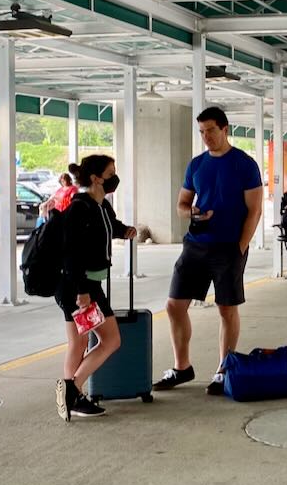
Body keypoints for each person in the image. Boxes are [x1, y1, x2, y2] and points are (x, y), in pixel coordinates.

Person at [153, 106, 262, 396]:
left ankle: (223, 369)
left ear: (225, 129)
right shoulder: (197, 165)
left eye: (211, 130)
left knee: (226, 308)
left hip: (229, 247)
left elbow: (254, 211)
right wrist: (192, 212)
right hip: (196, 244)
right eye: (201, 132)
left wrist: (240, 247)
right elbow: (181, 205)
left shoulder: (245, 165)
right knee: (174, 306)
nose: (206, 137)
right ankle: (182, 367)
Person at [55, 155, 136, 421]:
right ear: (95, 178)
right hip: (80, 286)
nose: (115, 176)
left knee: (77, 343)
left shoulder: (101, 206)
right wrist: (82, 291)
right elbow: (70, 253)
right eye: (111, 172)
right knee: (111, 340)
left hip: (84, 284)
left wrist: (125, 231)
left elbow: (110, 226)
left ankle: (71, 399)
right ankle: (73, 390)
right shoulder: (79, 207)